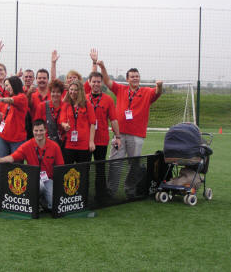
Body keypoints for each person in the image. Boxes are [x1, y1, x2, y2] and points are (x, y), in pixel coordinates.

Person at [97, 60, 163, 197]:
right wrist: (102, 66)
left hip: (136, 135)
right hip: (119, 135)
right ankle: (111, 191)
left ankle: (130, 189)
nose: (135, 78)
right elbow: (107, 81)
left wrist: (159, 86)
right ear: (127, 79)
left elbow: (157, 92)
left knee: (134, 164)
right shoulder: (121, 89)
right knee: (114, 163)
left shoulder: (146, 92)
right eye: (132, 76)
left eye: (137, 76)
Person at [0, 119, 64, 210]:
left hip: (48, 180)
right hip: (32, 180)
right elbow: (13, 157)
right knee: (38, 186)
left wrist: (57, 185)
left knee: (54, 206)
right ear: (33, 131)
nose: (38, 133)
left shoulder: (54, 146)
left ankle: (43, 202)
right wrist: (0, 160)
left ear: (46, 130)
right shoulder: (27, 145)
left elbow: (60, 167)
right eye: (36, 130)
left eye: (41, 130)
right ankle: (36, 202)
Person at [87, 71, 121, 202]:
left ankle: (100, 196)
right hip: (87, 141)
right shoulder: (83, 98)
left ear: (101, 83)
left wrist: (117, 137)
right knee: (85, 168)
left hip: (101, 140)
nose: (96, 84)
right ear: (89, 82)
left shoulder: (108, 99)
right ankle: (83, 195)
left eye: (98, 81)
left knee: (100, 170)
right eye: (93, 81)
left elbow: (113, 119)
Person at [60, 80, 96, 164]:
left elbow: (93, 124)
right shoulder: (66, 104)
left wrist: (91, 142)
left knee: (83, 171)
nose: (73, 92)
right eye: (71, 89)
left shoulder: (87, 105)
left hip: (83, 145)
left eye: (75, 90)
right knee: (67, 171)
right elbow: (62, 120)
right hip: (69, 144)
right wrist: (65, 125)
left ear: (80, 91)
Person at [0, 76, 28, 156]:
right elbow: (5, 119)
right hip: (2, 137)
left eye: (7, 85)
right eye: (5, 85)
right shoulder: (8, 101)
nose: (6, 88)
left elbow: (12, 100)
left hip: (17, 139)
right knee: (1, 162)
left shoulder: (22, 97)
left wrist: (1, 99)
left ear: (14, 84)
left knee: (16, 166)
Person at [34, 79, 65, 148]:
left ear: (61, 93)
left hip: (63, 143)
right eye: (53, 92)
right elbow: (37, 125)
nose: (55, 94)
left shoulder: (66, 106)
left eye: (58, 92)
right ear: (49, 92)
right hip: (46, 142)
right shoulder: (42, 106)